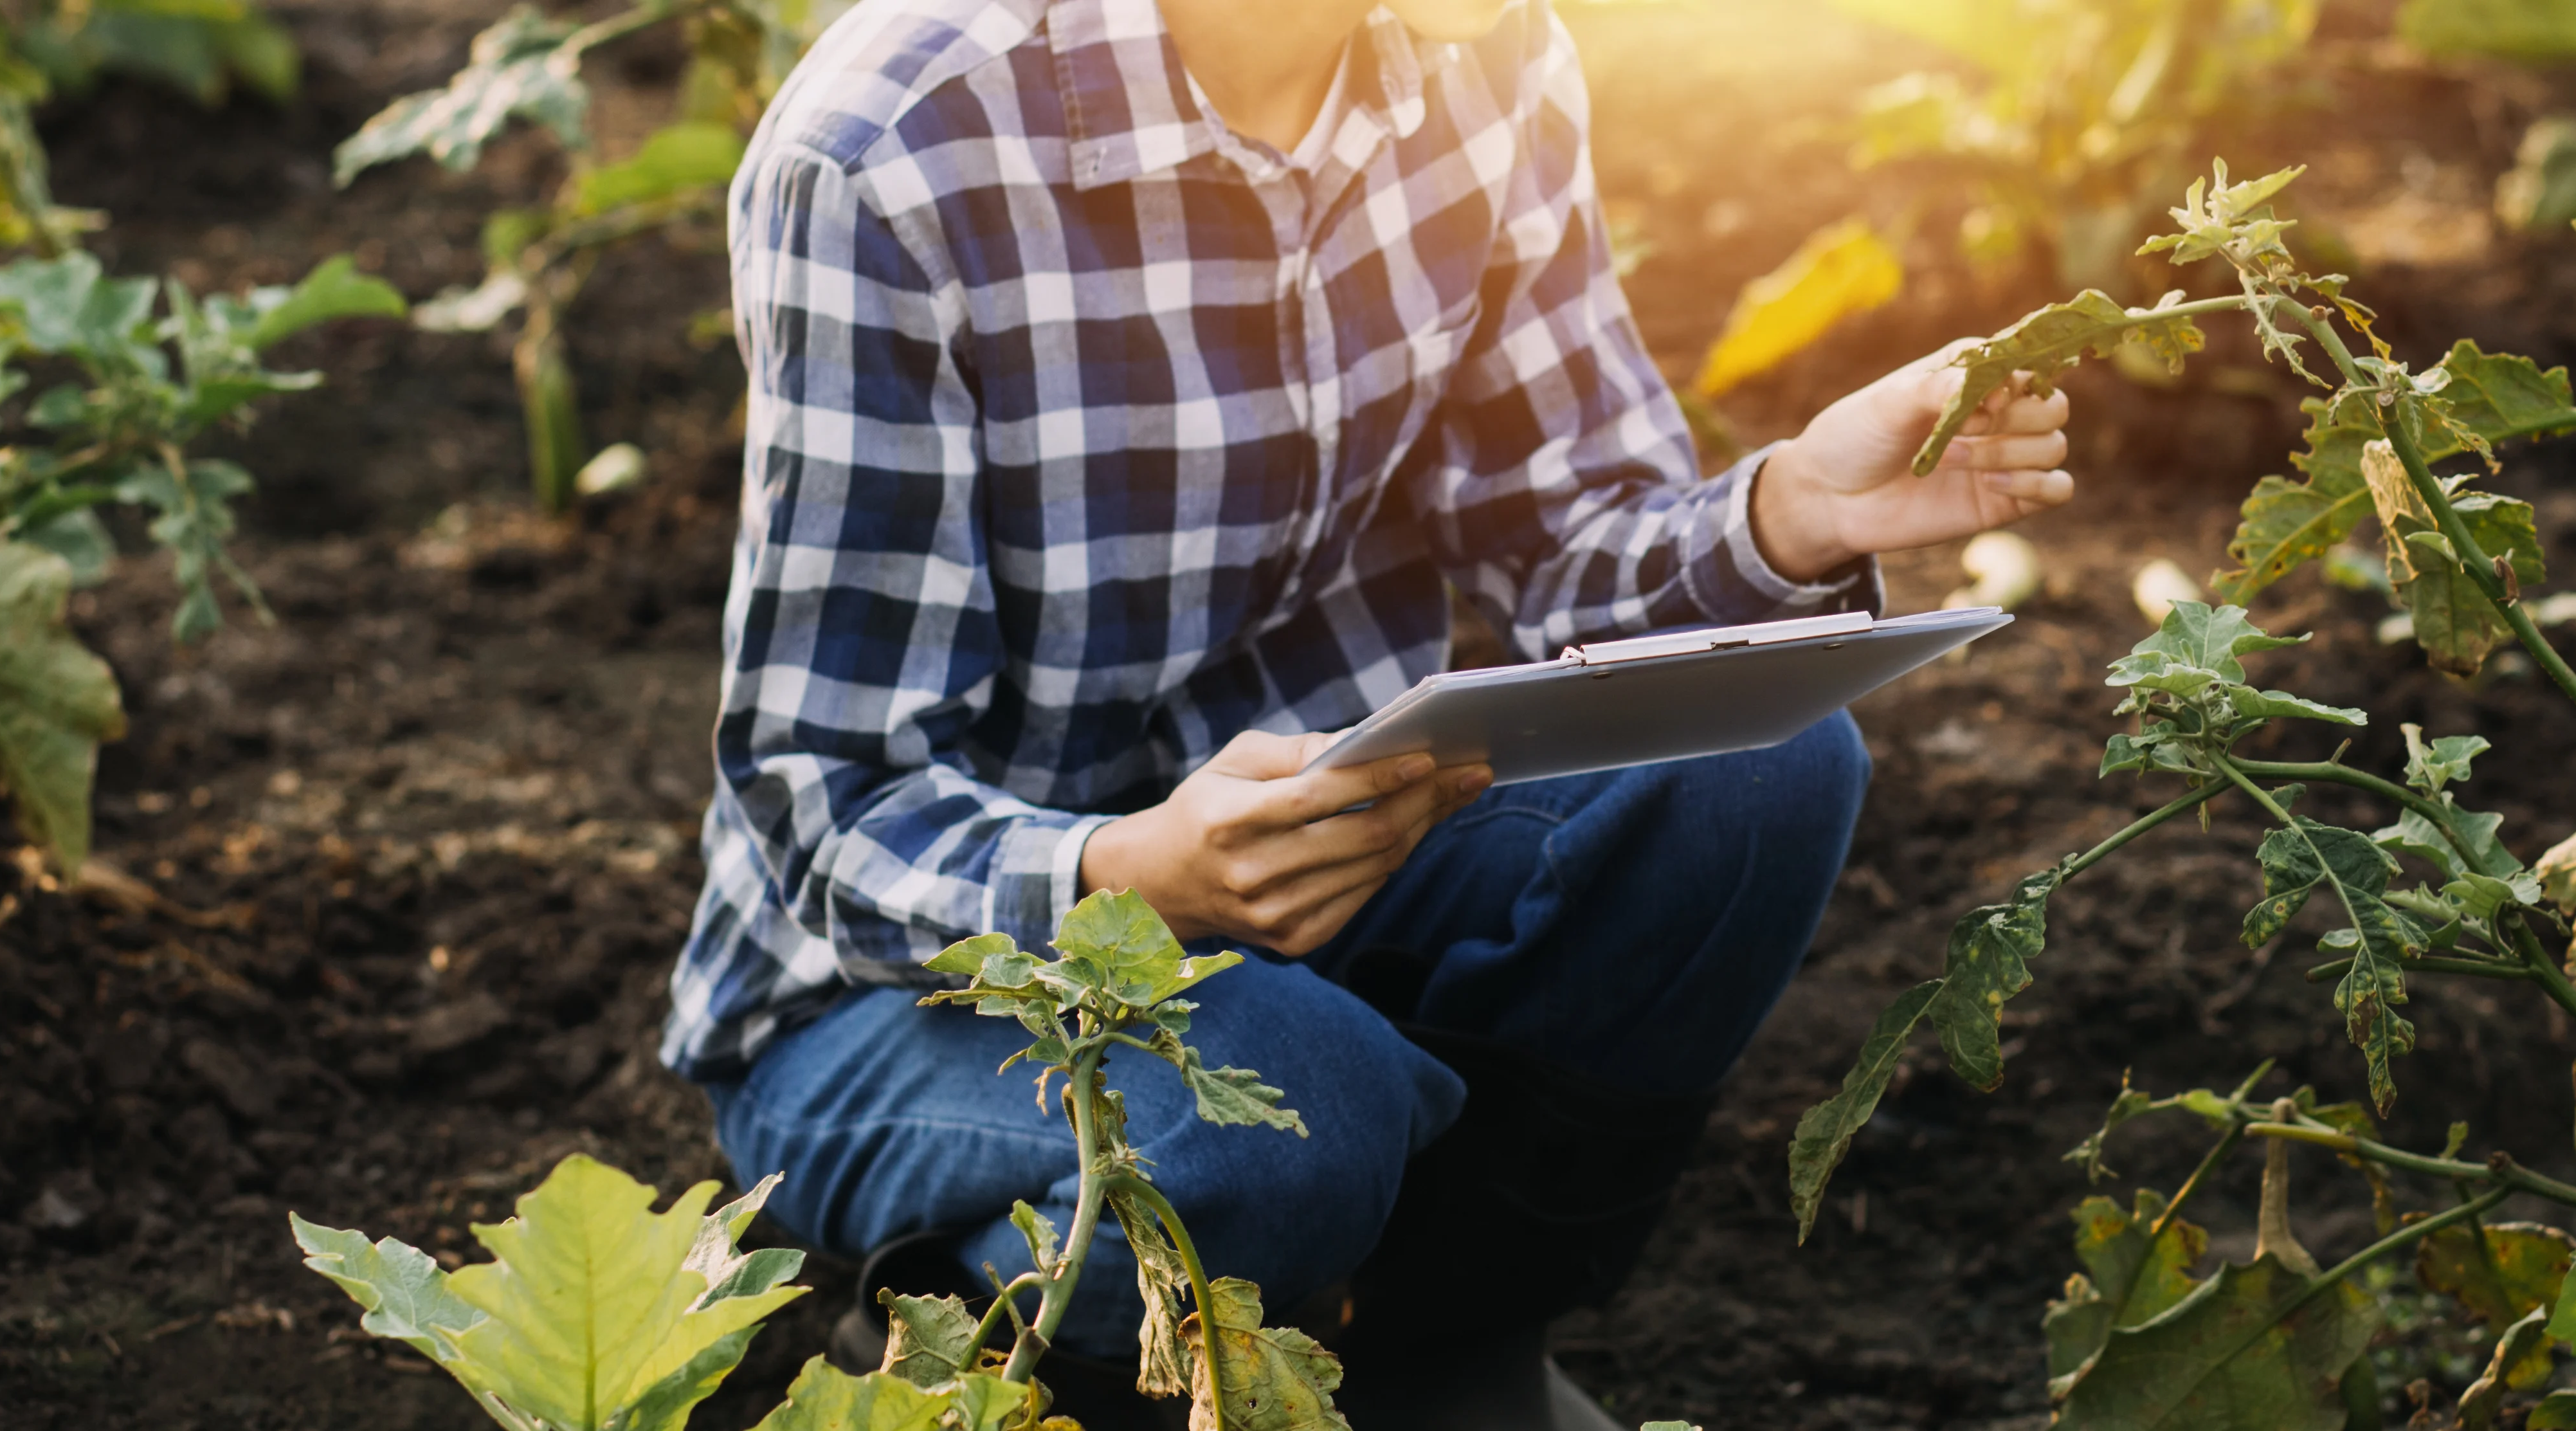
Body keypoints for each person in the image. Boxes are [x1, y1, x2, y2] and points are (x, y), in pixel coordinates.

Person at [662, 0, 2077, 1424]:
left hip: (1331, 862)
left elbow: (1563, 536)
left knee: (1761, 763)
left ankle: (1448, 1340)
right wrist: (1136, 872)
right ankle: (987, 1359)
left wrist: (1792, 511)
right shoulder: (897, 149)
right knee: (1287, 1104)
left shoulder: (1484, 53)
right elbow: (828, 789)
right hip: (908, 986)